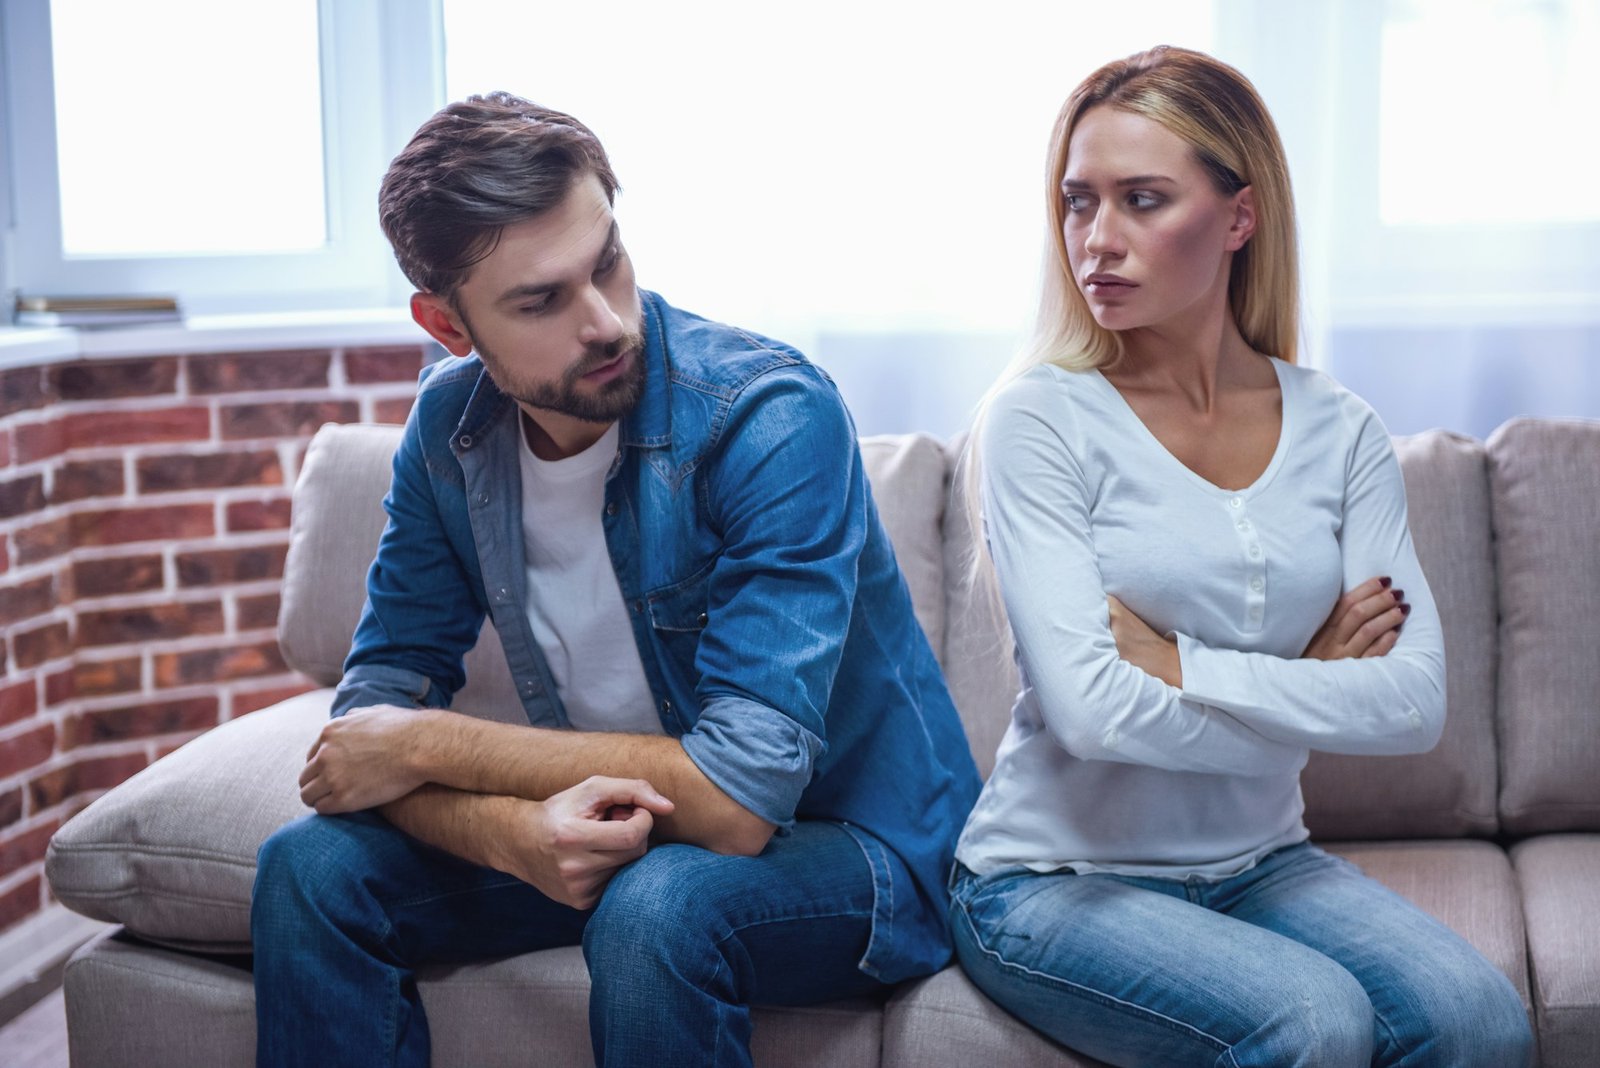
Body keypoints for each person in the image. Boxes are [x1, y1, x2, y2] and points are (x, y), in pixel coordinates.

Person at [249, 91, 981, 1068]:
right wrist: (510, 836)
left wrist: (428, 743)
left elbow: (737, 801)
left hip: (855, 847)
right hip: (623, 834)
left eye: (607, 263)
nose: (604, 322)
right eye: (540, 301)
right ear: (447, 324)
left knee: (657, 904)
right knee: (308, 869)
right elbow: (362, 734)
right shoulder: (450, 435)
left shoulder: (768, 415)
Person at [949, 46, 1532, 1068]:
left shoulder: (1339, 429)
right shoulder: (1037, 418)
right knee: (1311, 1018)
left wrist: (1178, 665)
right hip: (1051, 881)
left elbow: (1411, 706)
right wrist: (1310, 686)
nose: (1097, 239)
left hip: (1262, 863)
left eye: (1141, 200)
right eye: (1078, 202)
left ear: (1238, 217)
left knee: (1481, 1019)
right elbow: (1090, 718)